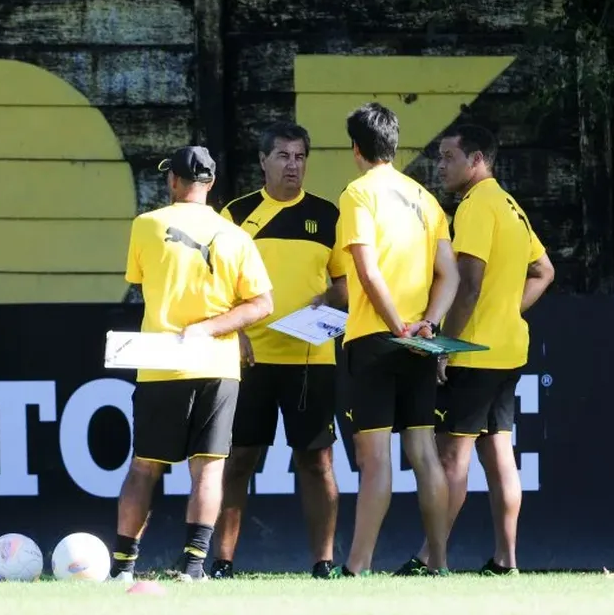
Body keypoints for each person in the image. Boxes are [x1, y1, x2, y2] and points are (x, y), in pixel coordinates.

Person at [396, 124, 555, 577]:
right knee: (499, 453)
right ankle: (507, 560)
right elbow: (544, 271)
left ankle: (431, 559)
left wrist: (446, 347)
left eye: (448, 156)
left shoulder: (477, 205)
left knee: (452, 457)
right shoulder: (510, 205)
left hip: (474, 355)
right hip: (507, 350)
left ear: (477, 159)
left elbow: (468, 284)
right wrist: (509, 312)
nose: (440, 165)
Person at [110, 146, 274, 584]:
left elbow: (142, 281)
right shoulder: (235, 235)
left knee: (144, 466)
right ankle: (194, 567)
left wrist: (192, 325)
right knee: (209, 467)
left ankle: (123, 568)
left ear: (173, 182)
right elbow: (262, 304)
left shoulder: (147, 225)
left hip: (162, 361)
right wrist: (215, 326)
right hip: (218, 364)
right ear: (211, 184)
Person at [211, 122, 346, 580]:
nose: (294, 165)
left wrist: (327, 300)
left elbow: (345, 284)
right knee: (240, 459)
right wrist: (239, 332)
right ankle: (223, 562)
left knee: (317, 461)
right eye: (284, 156)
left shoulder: (327, 215)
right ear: (263, 161)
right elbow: (217, 287)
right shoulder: (236, 213)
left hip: (311, 359)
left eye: (301, 156)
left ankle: (324, 563)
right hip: (250, 359)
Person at [332, 102, 459, 578]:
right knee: (425, 454)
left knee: (375, 458)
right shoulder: (425, 198)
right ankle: (440, 564)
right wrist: (427, 323)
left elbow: (365, 270)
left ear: (356, 149)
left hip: (375, 339)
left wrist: (395, 325)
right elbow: (449, 276)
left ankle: (358, 567)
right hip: (421, 341)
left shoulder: (358, 193)